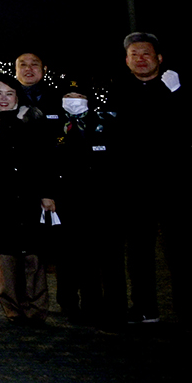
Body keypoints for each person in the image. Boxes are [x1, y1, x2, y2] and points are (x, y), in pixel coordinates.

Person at [106, 32, 192, 323]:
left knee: (182, 252)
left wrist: (176, 93)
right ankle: (145, 307)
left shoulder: (178, 88)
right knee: (138, 253)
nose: (140, 59)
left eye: (146, 53)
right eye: (134, 54)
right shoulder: (119, 90)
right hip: (135, 186)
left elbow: (190, 125)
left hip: (174, 184)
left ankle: (188, 309)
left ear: (159, 58)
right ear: (126, 60)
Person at [0, 74, 56, 323]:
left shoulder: (33, 120)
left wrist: (47, 193)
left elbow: (46, 158)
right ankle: (12, 308)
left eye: (9, 93)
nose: (3, 98)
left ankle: (36, 308)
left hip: (29, 198)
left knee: (34, 256)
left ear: (17, 97)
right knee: (6, 258)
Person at [53, 78, 123, 327]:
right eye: (69, 95)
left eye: (79, 95)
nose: (74, 99)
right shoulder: (54, 124)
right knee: (68, 256)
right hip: (65, 200)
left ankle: (100, 305)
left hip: (99, 200)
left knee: (99, 256)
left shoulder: (103, 123)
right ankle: (69, 303)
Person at [0, 52, 63, 118]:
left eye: (34, 64)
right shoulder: (5, 96)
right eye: (23, 65)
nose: (28, 68)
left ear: (44, 69)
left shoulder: (59, 97)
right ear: (16, 69)